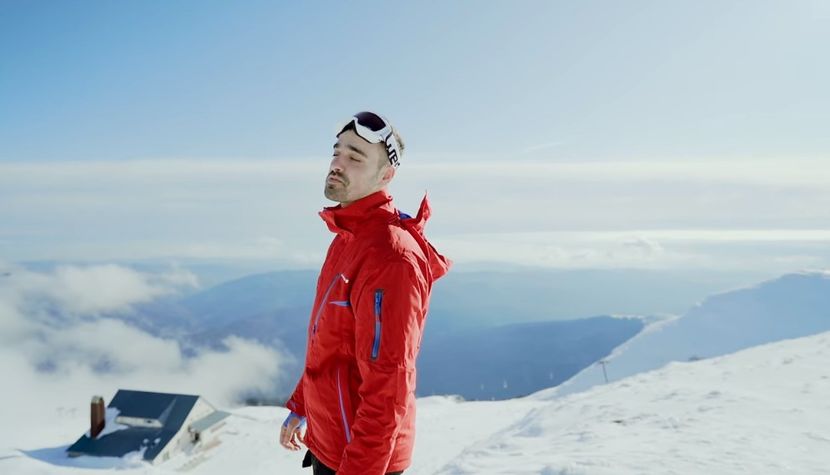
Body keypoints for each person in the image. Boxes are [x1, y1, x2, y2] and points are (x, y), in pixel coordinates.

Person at [278, 111, 452, 475]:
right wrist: (302, 405)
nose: (338, 163)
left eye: (355, 157)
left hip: (361, 459)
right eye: (337, 152)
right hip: (330, 442)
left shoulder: (390, 257)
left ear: (386, 176)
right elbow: (330, 343)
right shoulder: (347, 237)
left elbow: (389, 386)